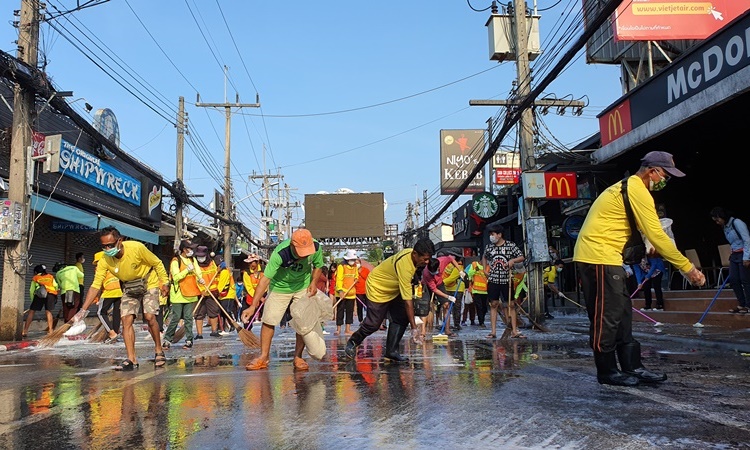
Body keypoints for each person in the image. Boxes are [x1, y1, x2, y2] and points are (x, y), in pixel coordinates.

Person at [574, 151, 705, 386]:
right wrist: (688, 268)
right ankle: (606, 371)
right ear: (652, 171)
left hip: (609, 257)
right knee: (608, 316)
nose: (665, 180)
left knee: (623, 313)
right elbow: (656, 234)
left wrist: (650, 245)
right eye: (665, 175)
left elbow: (645, 232)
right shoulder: (637, 189)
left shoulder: (632, 188)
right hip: (597, 257)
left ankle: (633, 366)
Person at [74, 226, 170, 371]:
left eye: (110, 245)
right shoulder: (105, 259)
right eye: (104, 246)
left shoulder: (136, 248)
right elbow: (95, 285)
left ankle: (158, 350)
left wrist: (164, 282)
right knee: (126, 321)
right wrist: (83, 310)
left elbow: (157, 263)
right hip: (129, 287)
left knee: (150, 317)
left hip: (148, 282)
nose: (107, 249)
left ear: (120, 241)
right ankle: (132, 359)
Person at [241, 228, 325, 371]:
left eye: (307, 252)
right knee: (269, 320)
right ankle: (263, 356)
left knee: (302, 321)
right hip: (280, 287)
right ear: (293, 245)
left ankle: (298, 357)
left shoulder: (316, 247)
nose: (305, 256)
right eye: (301, 252)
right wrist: (253, 306)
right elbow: (265, 280)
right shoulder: (280, 253)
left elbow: (318, 266)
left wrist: (313, 283)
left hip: (302, 286)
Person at [344, 238, 435, 362]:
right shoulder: (405, 267)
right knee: (373, 324)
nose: (427, 262)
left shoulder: (412, 254)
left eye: (429, 258)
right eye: (424, 259)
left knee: (401, 317)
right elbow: (408, 301)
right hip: (378, 287)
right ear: (415, 254)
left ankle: (391, 352)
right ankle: (353, 342)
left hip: (394, 287)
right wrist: (414, 328)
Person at [481, 222, 525, 340]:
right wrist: (485, 270)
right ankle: (493, 331)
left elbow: (521, 256)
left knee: (510, 304)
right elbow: (484, 257)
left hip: (507, 279)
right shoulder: (489, 247)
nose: (491, 236)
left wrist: (512, 261)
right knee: (494, 304)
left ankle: (514, 331)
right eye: (490, 234)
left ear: (500, 234)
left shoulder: (510, 245)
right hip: (493, 279)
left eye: (493, 234)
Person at [163, 240, 202, 350]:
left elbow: (198, 272)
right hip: (178, 295)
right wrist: (186, 271)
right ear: (184, 249)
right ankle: (167, 339)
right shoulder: (176, 261)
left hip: (191, 293)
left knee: (189, 318)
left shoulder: (193, 260)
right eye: (190, 248)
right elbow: (176, 277)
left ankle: (189, 340)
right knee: (176, 318)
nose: (192, 251)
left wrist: (201, 279)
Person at [710, 206, 750, 314]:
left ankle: (748, 305)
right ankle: (741, 304)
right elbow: (732, 242)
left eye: (717, 220)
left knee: (745, 279)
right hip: (734, 255)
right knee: (733, 280)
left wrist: (746, 257)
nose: (717, 222)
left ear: (722, 216)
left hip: (744, 253)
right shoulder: (725, 227)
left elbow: (747, 240)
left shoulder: (737, 223)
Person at [422, 252, 461, 337]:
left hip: (439, 283)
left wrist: (459, 270)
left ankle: (447, 330)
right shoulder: (426, 273)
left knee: (446, 304)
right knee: (425, 306)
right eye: (433, 272)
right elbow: (434, 289)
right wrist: (448, 296)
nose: (436, 272)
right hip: (427, 285)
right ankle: (423, 331)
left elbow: (451, 258)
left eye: (437, 270)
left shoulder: (442, 261)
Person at [93, 251, 123, 344]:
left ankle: (111, 333)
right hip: (120, 292)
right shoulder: (115, 265)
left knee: (101, 313)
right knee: (116, 314)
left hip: (108, 292)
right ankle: (115, 333)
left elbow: (98, 285)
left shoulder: (100, 267)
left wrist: (96, 298)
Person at [23, 264, 59, 337]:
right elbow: (56, 286)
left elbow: (31, 290)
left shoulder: (35, 278)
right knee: (48, 312)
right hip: (51, 294)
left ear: (36, 272)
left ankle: (25, 331)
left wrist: (33, 300)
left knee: (32, 311)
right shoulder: (50, 276)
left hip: (40, 295)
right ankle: (51, 331)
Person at [193, 245, 221, 339]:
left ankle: (214, 331)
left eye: (202, 256)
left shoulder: (212, 263)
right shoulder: (194, 265)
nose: (200, 259)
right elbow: (194, 279)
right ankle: (199, 334)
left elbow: (217, 277)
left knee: (213, 312)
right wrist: (201, 290)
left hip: (212, 292)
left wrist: (219, 271)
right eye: (198, 257)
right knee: (199, 314)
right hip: (199, 293)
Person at [335, 249, 359, 336]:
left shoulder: (355, 266)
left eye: (354, 259)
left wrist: (356, 278)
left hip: (351, 294)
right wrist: (340, 291)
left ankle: (347, 329)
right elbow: (339, 279)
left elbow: (356, 275)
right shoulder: (342, 266)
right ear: (347, 259)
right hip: (342, 293)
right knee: (340, 311)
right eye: (351, 259)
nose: (353, 261)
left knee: (349, 312)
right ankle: (338, 329)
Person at [442, 250, 466, 331]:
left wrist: (441, 283)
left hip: (457, 289)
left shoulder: (459, 267)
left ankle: (456, 324)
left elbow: (452, 278)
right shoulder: (449, 264)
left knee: (456, 308)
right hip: (447, 288)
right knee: (446, 307)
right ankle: (445, 324)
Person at [216, 261, 237, 334]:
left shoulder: (224, 272)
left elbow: (221, 285)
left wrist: (216, 292)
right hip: (222, 296)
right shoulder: (219, 273)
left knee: (226, 311)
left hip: (228, 295)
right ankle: (222, 328)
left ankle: (233, 324)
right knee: (222, 312)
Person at [466, 260, 488, 328]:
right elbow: (469, 274)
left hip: (485, 291)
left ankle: (482, 320)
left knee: (484, 308)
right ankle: (481, 322)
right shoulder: (474, 264)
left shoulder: (488, 267)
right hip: (476, 290)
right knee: (479, 307)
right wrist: (475, 270)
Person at [354, 258, 370, 324]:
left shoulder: (365, 270)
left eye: (357, 263)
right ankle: (361, 320)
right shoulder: (353, 271)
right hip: (358, 291)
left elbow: (369, 278)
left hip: (366, 291)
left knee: (368, 306)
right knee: (359, 306)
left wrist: (360, 273)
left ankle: (368, 320)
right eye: (355, 263)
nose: (356, 264)